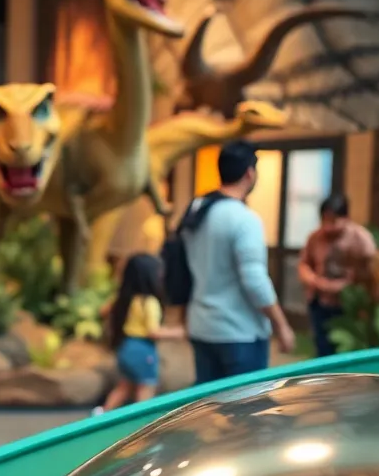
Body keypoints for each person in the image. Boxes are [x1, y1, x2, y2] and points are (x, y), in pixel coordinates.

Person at [183, 141, 295, 384]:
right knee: (245, 415)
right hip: (238, 332)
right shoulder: (244, 219)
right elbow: (255, 281)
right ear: (249, 173)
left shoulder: (197, 211)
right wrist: (281, 325)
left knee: (209, 411)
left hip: (202, 326)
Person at [100, 253, 185, 411]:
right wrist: (179, 332)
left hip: (125, 346)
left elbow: (103, 311)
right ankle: (143, 427)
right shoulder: (149, 302)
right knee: (146, 388)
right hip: (142, 349)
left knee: (124, 386)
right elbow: (153, 332)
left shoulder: (124, 299)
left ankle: (100, 415)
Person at [298, 193, 376, 357]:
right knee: (322, 347)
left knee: (345, 351)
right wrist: (312, 279)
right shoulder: (315, 237)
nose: (328, 227)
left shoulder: (361, 239)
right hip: (319, 301)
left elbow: (371, 273)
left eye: (333, 221)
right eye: (324, 220)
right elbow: (304, 263)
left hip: (347, 305)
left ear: (346, 218)